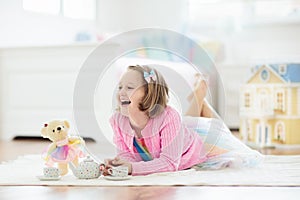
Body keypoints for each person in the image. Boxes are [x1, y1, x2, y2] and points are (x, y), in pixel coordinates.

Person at [105, 65, 262, 176]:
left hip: (195, 146)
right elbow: (127, 155)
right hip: (180, 131)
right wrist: (119, 165)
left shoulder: (168, 117)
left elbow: (170, 163)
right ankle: (199, 100)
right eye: (120, 87)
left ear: (149, 94)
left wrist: (132, 168)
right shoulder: (117, 121)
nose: (121, 93)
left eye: (129, 87)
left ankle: (200, 99)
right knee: (187, 121)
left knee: (218, 132)